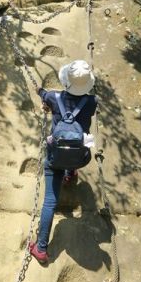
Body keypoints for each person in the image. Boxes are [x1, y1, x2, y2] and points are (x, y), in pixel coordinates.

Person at [28, 60, 98, 264]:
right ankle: (70, 173)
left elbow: (42, 94)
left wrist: (41, 92)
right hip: (79, 156)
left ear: (66, 80)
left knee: (50, 200)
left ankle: (41, 248)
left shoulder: (53, 97)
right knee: (77, 147)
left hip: (54, 157)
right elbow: (86, 114)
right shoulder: (92, 102)